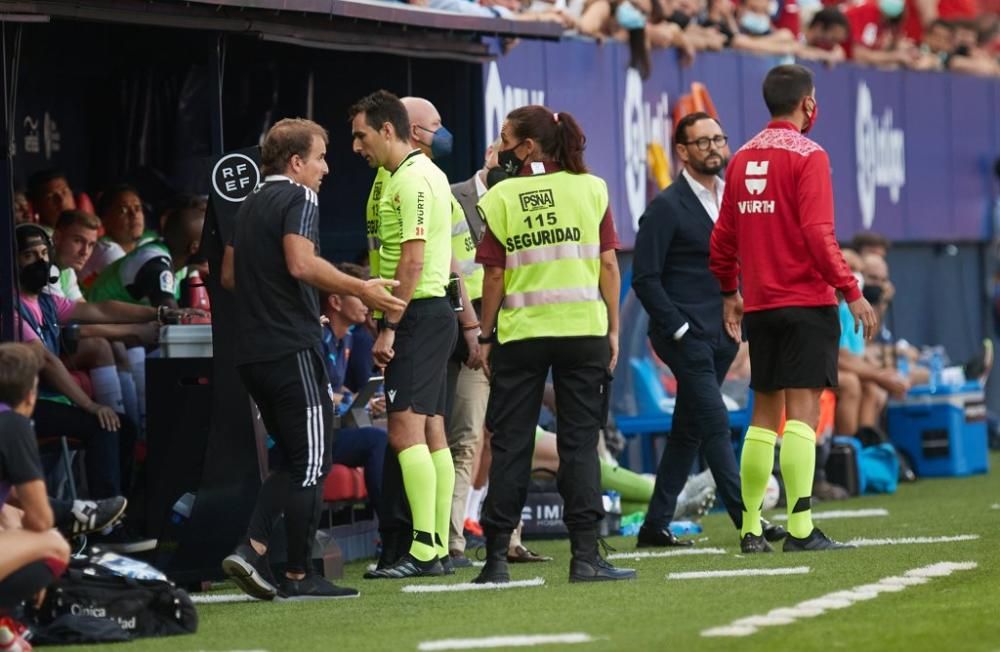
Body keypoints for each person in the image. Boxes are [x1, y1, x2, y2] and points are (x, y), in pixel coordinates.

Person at [220, 117, 403, 601]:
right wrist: (360, 287)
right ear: (296, 162)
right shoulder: (300, 197)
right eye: (320, 157)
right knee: (314, 461)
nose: (327, 167)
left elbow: (230, 276)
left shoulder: (248, 203)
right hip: (290, 349)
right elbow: (300, 263)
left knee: (298, 459)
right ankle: (299, 575)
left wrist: (290, 306)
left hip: (253, 354)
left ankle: (251, 549)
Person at [709, 64, 878, 553]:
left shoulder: (740, 157)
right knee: (802, 416)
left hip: (760, 304)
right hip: (806, 301)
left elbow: (722, 240)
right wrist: (851, 290)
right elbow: (817, 234)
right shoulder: (809, 155)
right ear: (808, 104)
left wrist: (729, 292)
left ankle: (749, 530)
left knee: (762, 415)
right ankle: (801, 529)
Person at [473, 105, 634, 584]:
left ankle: (496, 559)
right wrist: (613, 330)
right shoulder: (591, 188)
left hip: (520, 337)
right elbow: (609, 266)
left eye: (505, 137)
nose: (499, 146)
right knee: (580, 445)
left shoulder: (501, 196)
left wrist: (485, 335)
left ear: (527, 147)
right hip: (583, 332)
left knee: (511, 446)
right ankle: (585, 556)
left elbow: (495, 274)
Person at [631, 111, 786, 549]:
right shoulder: (665, 206)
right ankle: (748, 522)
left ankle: (654, 525)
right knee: (716, 423)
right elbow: (645, 278)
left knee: (689, 431)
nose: (714, 148)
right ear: (681, 151)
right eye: (703, 142)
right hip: (685, 335)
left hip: (723, 332)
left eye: (719, 139)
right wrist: (677, 327)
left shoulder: (732, 196)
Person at [349, 90, 457, 579]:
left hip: (417, 314)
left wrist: (390, 326)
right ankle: (435, 548)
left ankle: (426, 549)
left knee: (404, 431)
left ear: (388, 130)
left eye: (361, 135)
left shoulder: (413, 180)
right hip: (422, 312)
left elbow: (412, 259)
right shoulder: (394, 177)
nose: (355, 146)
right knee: (431, 430)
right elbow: (387, 251)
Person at [444, 139, 497, 567]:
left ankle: (508, 537)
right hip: (472, 335)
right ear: (489, 154)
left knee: (511, 439)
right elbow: (450, 272)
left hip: (515, 332)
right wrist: (472, 332)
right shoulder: (451, 197)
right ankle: (453, 538)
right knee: (466, 437)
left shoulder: (524, 199)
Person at [0, 343, 71, 616]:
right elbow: (41, 519)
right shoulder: (13, 425)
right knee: (53, 544)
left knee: (10, 519)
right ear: (31, 396)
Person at [321, 262, 388, 519]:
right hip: (312, 436)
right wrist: (354, 400)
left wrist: (362, 400)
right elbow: (320, 391)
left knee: (394, 438)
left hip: (335, 428)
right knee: (377, 440)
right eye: (359, 295)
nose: (366, 303)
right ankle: (390, 532)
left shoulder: (346, 338)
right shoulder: (317, 337)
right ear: (336, 302)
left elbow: (337, 386)